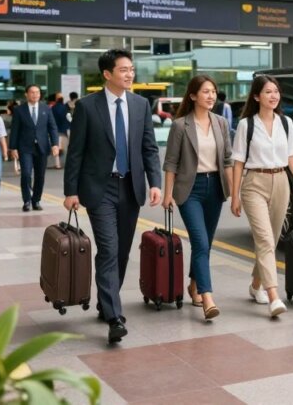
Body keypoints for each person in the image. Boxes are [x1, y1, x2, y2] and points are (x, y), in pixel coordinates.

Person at [64, 49, 162, 344]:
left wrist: (154, 182)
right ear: (107, 74)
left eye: (131, 69)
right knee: (108, 249)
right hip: (100, 188)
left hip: (130, 187)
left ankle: (106, 302)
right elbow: (76, 152)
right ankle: (115, 317)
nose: (130, 74)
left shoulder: (140, 104)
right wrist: (70, 190)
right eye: (123, 70)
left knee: (121, 252)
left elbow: (149, 148)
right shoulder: (87, 106)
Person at [231, 75, 293, 319]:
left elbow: (291, 156)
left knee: (272, 240)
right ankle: (273, 296)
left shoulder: (285, 123)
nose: (273, 96)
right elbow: (238, 163)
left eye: (276, 91)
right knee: (264, 240)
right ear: (256, 96)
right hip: (255, 183)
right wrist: (235, 196)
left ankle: (255, 286)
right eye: (267, 92)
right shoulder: (247, 125)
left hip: (281, 183)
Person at [162, 75, 233, 322]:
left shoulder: (221, 123)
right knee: (200, 242)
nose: (211, 96)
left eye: (213, 91)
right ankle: (208, 296)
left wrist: (233, 193)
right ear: (193, 96)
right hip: (189, 190)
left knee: (206, 243)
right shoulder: (180, 125)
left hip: (215, 188)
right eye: (205, 92)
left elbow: (227, 160)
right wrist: (167, 194)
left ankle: (193, 285)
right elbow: (170, 162)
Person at [9, 86, 59, 211]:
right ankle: (26, 201)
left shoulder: (46, 108)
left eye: (37, 92)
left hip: (42, 147)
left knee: (40, 176)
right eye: (32, 92)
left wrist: (55, 144)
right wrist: (13, 148)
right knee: (26, 174)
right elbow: (15, 130)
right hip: (25, 147)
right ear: (26, 94)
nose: (35, 94)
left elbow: (52, 127)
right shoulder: (19, 110)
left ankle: (36, 200)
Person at [51, 95, 70, 168]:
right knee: (65, 148)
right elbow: (69, 118)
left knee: (56, 147)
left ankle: (57, 164)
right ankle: (66, 163)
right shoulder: (66, 108)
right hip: (65, 130)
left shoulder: (53, 108)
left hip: (56, 130)